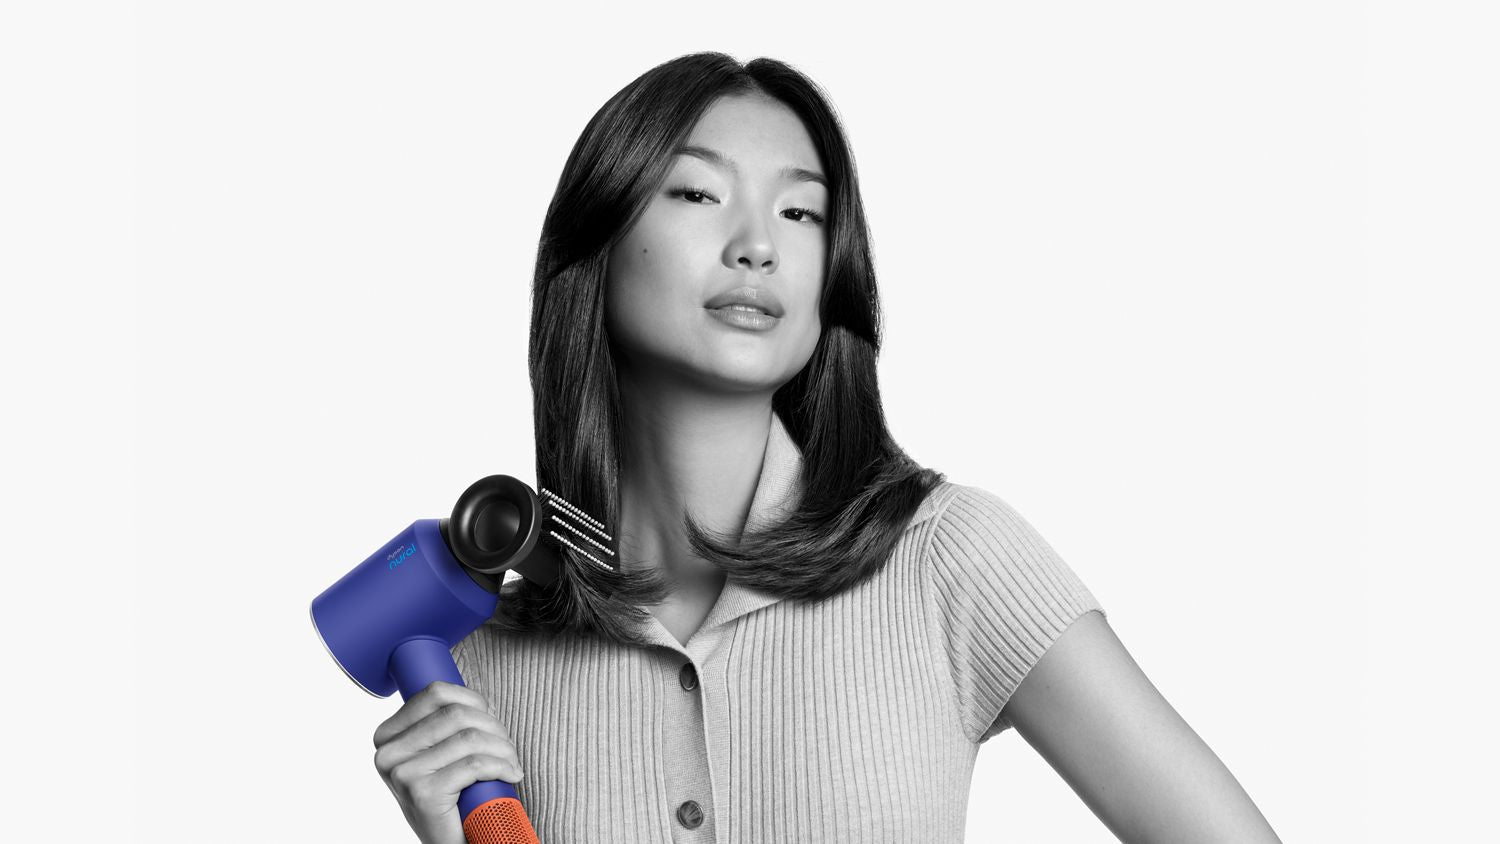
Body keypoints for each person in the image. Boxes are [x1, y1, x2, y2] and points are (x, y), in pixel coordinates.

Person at [370, 52, 1282, 843]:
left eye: (802, 213)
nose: (758, 247)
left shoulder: (948, 560)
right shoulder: (480, 665)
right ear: (595, 248)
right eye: (697, 194)